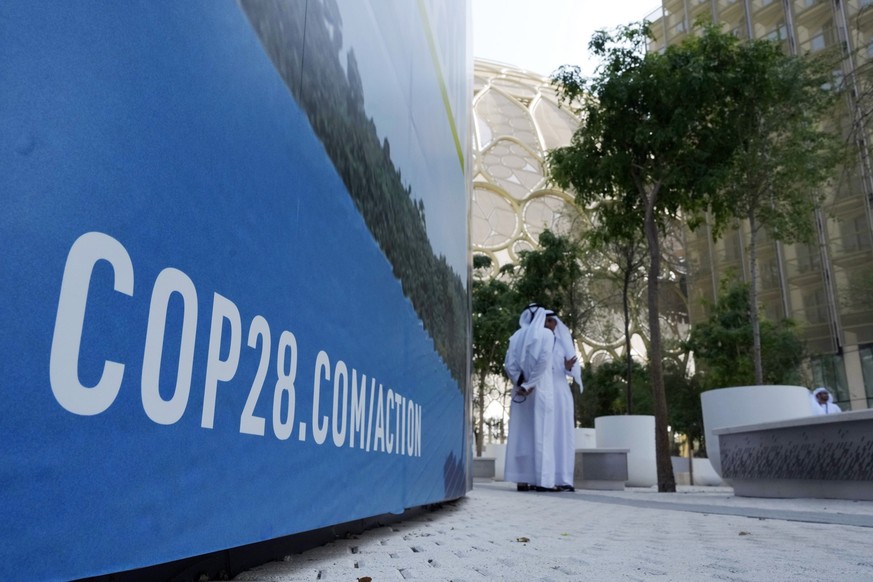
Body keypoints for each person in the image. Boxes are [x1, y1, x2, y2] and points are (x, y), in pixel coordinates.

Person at [504, 304, 557, 492]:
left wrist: (521, 383)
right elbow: (543, 361)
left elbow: (509, 364)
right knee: (543, 433)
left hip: (520, 392)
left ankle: (522, 479)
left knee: (522, 435)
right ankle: (543, 481)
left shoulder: (516, 336)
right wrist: (530, 384)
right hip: (540, 389)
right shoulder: (547, 335)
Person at [546, 311, 582, 492]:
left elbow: (571, 369)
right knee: (548, 435)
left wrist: (568, 367)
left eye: (552, 321)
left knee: (563, 434)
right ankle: (547, 478)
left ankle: (564, 478)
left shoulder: (561, 344)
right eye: (546, 321)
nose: (549, 324)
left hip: (561, 391)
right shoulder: (539, 343)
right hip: (544, 389)